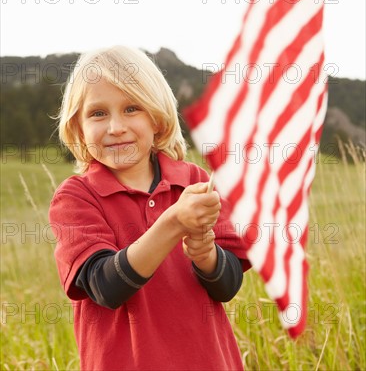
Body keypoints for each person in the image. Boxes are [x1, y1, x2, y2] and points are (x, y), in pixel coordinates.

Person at [49, 45, 251, 371]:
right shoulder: (76, 197)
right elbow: (105, 287)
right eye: (98, 113)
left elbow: (227, 286)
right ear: (77, 128)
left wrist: (205, 255)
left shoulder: (195, 182)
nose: (115, 127)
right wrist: (173, 224)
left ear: (157, 119)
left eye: (131, 108)